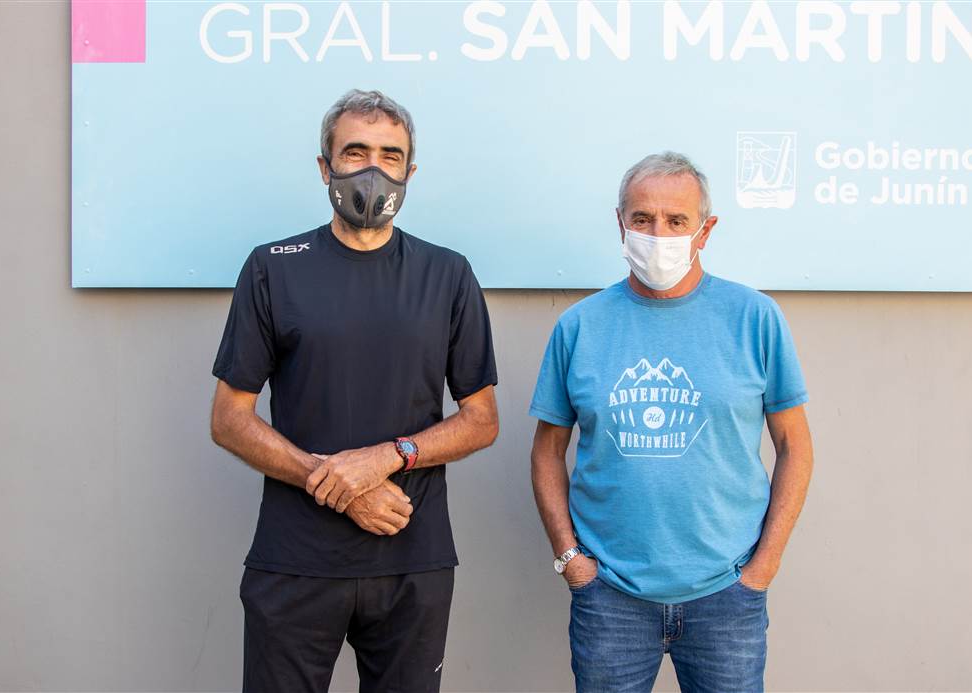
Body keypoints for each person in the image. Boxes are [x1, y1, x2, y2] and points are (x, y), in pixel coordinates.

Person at [210, 89, 499, 693]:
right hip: (294, 560)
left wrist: (385, 458)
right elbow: (230, 418)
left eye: (391, 155)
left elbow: (481, 419)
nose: (373, 169)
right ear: (325, 167)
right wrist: (338, 486)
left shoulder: (448, 274)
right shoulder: (272, 267)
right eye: (355, 151)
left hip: (411, 559)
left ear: (410, 171)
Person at [529, 151, 814, 692]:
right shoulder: (580, 327)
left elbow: (795, 446)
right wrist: (571, 559)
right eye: (642, 219)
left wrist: (762, 570)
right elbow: (547, 450)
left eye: (676, 220)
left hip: (726, 597)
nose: (658, 233)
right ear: (620, 223)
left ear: (705, 230)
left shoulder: (755, 318)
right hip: (610, 597)